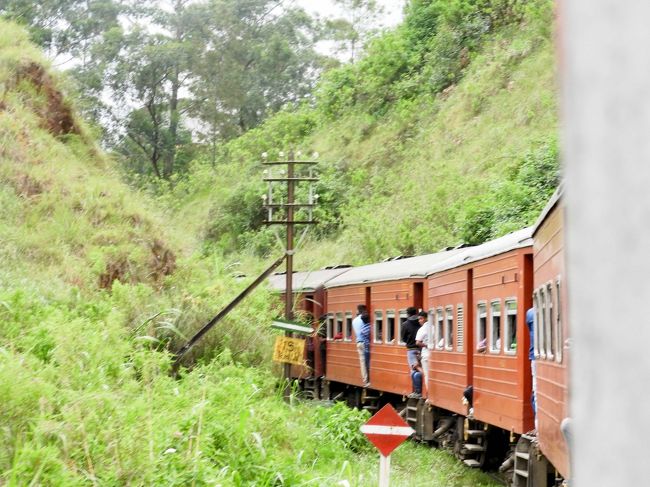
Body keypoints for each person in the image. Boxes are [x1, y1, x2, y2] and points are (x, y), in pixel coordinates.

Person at [401, 306, 422, 395]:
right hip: (421, 348)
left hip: (411, 349)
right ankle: (420, 390)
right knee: (420, 369)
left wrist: (409, 341)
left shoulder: (405, 324)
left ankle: (417, 391)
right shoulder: (420, 323)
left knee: (414, 370)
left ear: (408, 314)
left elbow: (403, 338)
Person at [352, 304, 370, 386]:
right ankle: (370, 378)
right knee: (368, 361)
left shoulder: (354, 320)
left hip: (358, 342)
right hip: (365, 342)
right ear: (363, 310)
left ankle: (365, 381)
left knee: (362, 363)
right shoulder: (364, 319)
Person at [526, 307, 537, 421]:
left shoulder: (529, 313)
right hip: (536, 356)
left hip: (534, 356)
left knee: (535, 393)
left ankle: (537, 423)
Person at [415, 311, 430, 388]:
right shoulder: (434, 327)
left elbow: (418, 343)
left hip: (426, 355)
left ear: (426, 318)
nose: (419, 321)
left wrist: (426, 345)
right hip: (434, 355)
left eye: (421, 319)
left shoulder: (422, 329)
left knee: (427, 375)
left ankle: (429, 395)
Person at [359, 312, 372, 387]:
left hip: (366, 349)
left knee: (366, 365)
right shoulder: (371, 327)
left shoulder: (363, 329)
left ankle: (368, 381)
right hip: (369, 348)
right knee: (369, 365)